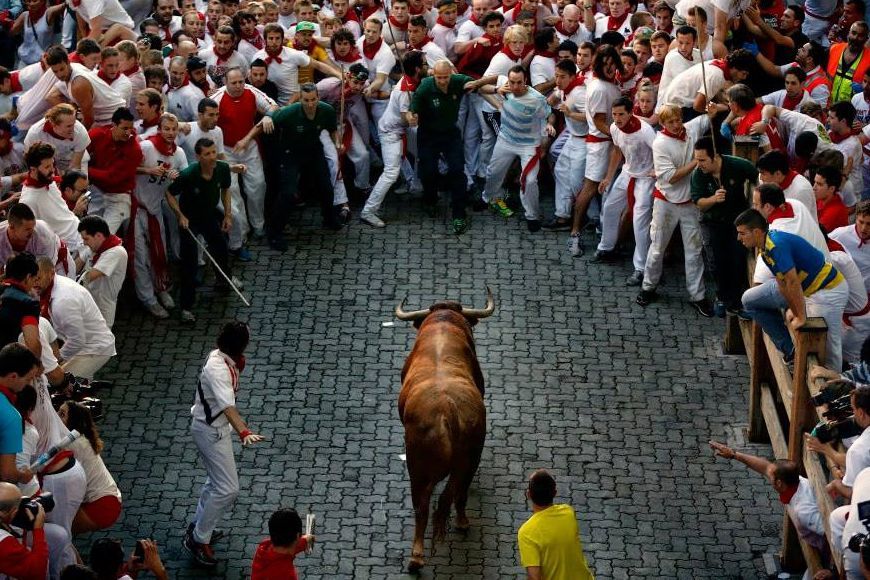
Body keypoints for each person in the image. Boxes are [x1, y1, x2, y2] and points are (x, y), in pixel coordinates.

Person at [184, 321, 264, 568]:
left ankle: (199, 526)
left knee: (216, 483)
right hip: (211, 431)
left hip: (214, 429)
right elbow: (228, 406)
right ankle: (199, 538)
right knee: (228, 489)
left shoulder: (220, 359)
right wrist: (244, 432)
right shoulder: (218, 370)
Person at [737, 208, 850, 370]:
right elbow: (782, 283)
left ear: (756, 232)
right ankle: (791, 352)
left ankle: (832, 389)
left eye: (742, 233)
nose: (738, 238)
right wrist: (793, 308)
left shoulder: (776, 245)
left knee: (830, 348)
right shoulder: (765, 247)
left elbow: (792, 282)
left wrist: (800, 316)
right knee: (750, 300)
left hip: (828, 291)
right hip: (809, 289)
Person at [636, 104, 714, 317]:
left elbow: (709, 116)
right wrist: (695, 163)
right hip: (666, 203)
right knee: (658, 247)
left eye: (678, 120)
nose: (676, 125)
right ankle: (648, 287)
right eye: (671, 122)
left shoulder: (691, 129)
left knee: (694, 251)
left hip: (690, 203)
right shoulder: (660, 143)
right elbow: (671, 176)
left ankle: (697, 296)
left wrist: (714, 108)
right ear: (662, 123)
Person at [409, 59, 489, 235]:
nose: (443, 81)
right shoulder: (425, 86)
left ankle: (459, 213)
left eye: (446, 77)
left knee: (457, 170)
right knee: (428, 171)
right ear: (433, 75)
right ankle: (430, 200)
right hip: (428, 134)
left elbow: (474, 84)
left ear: (451, 75)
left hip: (450, 133)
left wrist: (485, 84)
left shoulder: (458, 80)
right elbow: (412, 108)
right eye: (439, 78)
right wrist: (412, 117)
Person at [166, 137, 242, 323]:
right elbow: (169, 193)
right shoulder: (189, 174)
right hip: (190, 221)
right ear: (199, 156)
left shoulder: (222, 169)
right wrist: (180, 216)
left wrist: (227, 214)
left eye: (214, 152)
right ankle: (186, 307)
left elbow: (225, 190)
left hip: (208, 215)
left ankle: (224, 279)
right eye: (207, 154)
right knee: (190, 263)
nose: (212, 157)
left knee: (220, 247)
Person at [262, 83, 342, 249]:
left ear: (318, 98)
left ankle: (329, 218)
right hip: (291, 154)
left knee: (326, 186)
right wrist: (268, 117)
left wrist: (338, 143)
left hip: (314, 151)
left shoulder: (327, 110)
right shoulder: (290, 112)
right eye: (306, 100)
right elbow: (273, 113)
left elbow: (333, 129)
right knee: (288, 193)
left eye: (313, 99)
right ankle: (274, 232)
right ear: (300, 99)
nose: (310, 104)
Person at [708, 441, 825, 550]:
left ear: (779, 483)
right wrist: (733, 454)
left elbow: (831, 535)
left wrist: (830, 570)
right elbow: (765, 467)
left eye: (771, 476)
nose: (768, 473)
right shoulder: (798, 481)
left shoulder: (804, 511)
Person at [479, 65, 554, 232]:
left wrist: (549, 125)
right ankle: (488, 198)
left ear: (525, 81)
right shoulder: (504, 86)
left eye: (519, 83)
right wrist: (497, 90)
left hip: (529, 145)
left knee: (530, 180)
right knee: (493, 172)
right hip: (505, 140)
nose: (515, 86)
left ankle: (532, 216)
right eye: (512, 82)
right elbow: (480, 88)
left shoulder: (536, 98)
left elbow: (550, 113)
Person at [360, 50, 426, 228]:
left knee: (423, 152)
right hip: (391, 133)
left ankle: (414, 184)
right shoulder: (405, 91)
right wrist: (416, 118)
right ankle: (368, 210)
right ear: (418, 69)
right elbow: (407, 119)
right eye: (425, 64)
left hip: (399, 130)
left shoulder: (414, 81)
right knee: (391, 173)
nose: (428, 67)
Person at [690, 136, 755, 314]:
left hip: (736, 222)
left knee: (738, 259)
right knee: (716, 261)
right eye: (696, 159)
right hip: (713, 222)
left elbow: (756, 175)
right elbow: (698, 202)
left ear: (715, 156)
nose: (699, 164)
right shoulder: (698, 174)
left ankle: (737, 299)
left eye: (702, 160)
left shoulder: (737, 165)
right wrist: (714, 199)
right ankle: (722, 296)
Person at [133, 112, 187, 319]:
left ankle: (162, 288)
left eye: (174, 129)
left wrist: (178, 177)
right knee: (140, 256)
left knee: (160, 252)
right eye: (167, 129)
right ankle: (148, 298)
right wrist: (149, 171)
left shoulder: (179, 153)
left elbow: (183, 178)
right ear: (160, 129)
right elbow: (128, 168)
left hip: (155, 209)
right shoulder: (147, 147)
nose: (171, 133)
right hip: (136, 208)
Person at [594, 96, 656, 276]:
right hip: (627, 173)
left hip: (645, 177)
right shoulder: (614, 128)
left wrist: (657, 172)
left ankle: (640, 267)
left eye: (621, 114)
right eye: (614, 114)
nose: (617, 118)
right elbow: (617, 150)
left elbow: (659, 152)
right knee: (610, 207)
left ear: (631, 113)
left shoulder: (645, 131)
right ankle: (606, 247)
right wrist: (608, 177)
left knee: (639, 221)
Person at [517, 469, 593, 580]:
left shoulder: (527, 533)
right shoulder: (568, 512)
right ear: (555, 493)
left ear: (528, 494)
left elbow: (534, 577)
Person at [86, 107, 144, 234]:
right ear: (114, 125)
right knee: (88, 234)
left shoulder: (134, 150)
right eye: (124, 128)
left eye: (131, 128)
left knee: (104, 238)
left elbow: (112, 178)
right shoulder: (97, 135)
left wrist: (86, 170)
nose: (128, 132)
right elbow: (79, 153)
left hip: (118, 197)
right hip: (95, 191)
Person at [77, 215, 128, 328]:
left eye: (86, 239)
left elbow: (89, 276)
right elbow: (76, 265)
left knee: (99, 344)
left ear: (98, 236)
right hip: (87, 304)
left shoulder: (117, 252)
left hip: (102, 310)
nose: (84, 243)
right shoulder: (94, 247)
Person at [0, 343, 39, 485]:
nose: (28, 384)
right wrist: (23, 476)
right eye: (28, 379)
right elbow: (8, 474)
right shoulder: (11, 417)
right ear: (13, 376)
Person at [250, 508, 315, 579]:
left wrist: (306, 540)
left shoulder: (265, 546)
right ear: (297, 536)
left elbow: (291, 546)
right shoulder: (286, 574)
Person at [0, 253, 41, 355]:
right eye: (34, 280)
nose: (34, 285)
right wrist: (37, 364)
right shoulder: (28, 304)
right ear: (28, 277)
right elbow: (33, 344)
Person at [815, 164, 851, 231]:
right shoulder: (820, 198)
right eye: (815, 182)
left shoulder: (835, 211)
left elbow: (814, 233)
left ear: (832, 188)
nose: (814, 187)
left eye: (819, 184)